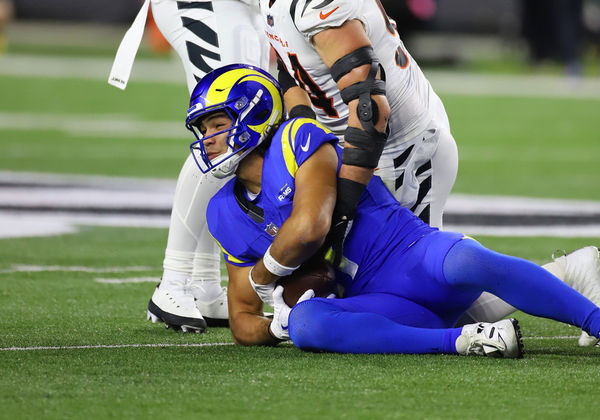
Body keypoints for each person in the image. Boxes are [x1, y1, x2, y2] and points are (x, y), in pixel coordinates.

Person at [111, 0, 600, 345]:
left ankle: (570, 276)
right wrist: (298, 152)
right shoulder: (279, 5)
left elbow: (369, 108)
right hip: (359, 152)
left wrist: (332, 210)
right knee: (386, 298)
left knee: (431, 288)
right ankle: (514, 309)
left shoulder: (313, 2)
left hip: (399, 151)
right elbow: (293, 77)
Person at [189, 63, 600, 355]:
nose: (207, 139)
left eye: (215, 124)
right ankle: (466, 341)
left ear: (255, 113)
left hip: (409, 254)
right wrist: (274, 328)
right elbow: (243, 316)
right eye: (202, 130)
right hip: (374, 303)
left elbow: (310, 227)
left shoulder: (296, 138)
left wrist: (264, 273)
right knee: (307, 324)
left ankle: (594, 318)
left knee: (468, 261)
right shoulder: (224, 212)